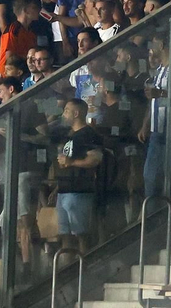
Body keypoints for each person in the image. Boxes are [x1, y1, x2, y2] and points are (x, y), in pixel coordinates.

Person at [54, 97, 103, 253]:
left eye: (67, 110)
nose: (64, 114)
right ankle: (68, 269)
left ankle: (85, 263)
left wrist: (72, 162)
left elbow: (95, 158)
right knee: (64, 234)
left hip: (79, 189)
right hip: (63, 189)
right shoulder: (68, 135)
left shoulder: (88, 134)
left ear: (76, 113)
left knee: (80, 232)